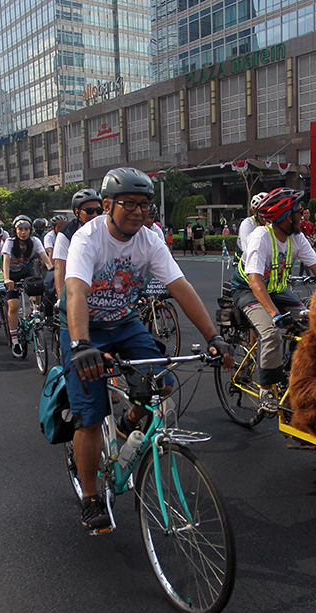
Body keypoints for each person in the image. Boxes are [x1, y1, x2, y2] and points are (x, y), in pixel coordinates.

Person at [61, 167, 233, 530]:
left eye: (145, 205)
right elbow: (75, 290)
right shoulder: (87, 238)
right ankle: (91, 496)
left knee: (162, 384)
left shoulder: (150, 240)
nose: (139, 212)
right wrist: (80, 345)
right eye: (129, 204)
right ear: (107, 205)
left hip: (124, 324)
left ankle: (127, 422)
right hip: (85, 328)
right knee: (89, 417)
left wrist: (213, 336)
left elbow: (180, 287)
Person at [231, 188, 316, 414]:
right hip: (247, 290)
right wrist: (274, 314)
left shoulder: (298, 239)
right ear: (287, 217)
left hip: (276, 290)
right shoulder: (260, 237)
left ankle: (288, 367)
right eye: (299, 212)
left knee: (312, 324)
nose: (303, 215)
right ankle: (266, 389)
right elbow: (255, 282)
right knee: (271, 331)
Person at [4, 215, 53, 357]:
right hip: (12, 275)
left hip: (27, 272)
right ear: (15, 230)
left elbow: (45, 258)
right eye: (20, 229)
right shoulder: (10, 242)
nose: (23, 232)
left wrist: (52, 272)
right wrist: (6, 278)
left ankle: (35, 312)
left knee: (38, 288)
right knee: (13, 306)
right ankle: (14, 340)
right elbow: (6, 261)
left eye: (26, 229)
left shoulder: (35, 241)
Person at [53, 189, 104, 301]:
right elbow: (59, 267)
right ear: (77, 212)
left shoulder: (108, 229)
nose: (95, 215)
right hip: (77, 285)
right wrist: (62, 299)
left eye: (99, 211)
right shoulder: (66, 232)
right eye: (90, 211)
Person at [235, 192, 269, 266]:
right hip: (244, 262)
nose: (266, 215)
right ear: (254, 212)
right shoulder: (247, 224)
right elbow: (247, 250)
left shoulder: (272, 222)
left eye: (268, 211)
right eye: (262, 211)